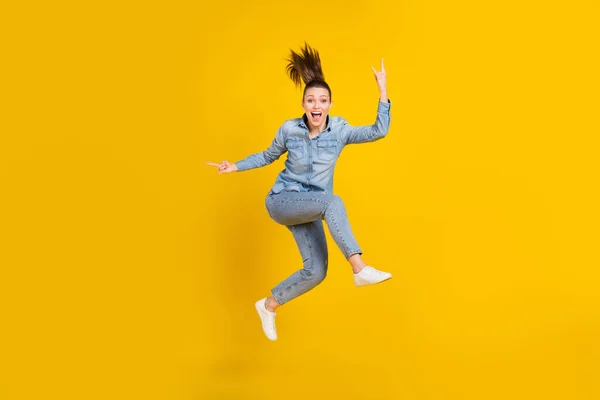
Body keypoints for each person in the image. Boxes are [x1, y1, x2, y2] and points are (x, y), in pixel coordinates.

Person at [207, 43, 393, 341]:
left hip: (312, 207)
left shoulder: (341, 130)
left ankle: (269, 305)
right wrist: (236, 166)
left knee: (317, 271)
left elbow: (377, 131)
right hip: (282, 201)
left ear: (330, 104)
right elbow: (268, 156)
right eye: (310, 100)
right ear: (304, 105)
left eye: (322, 100)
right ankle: (359, 267)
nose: (316, 105)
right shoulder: (289, 130)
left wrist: (382, 89)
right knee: (332, 202)